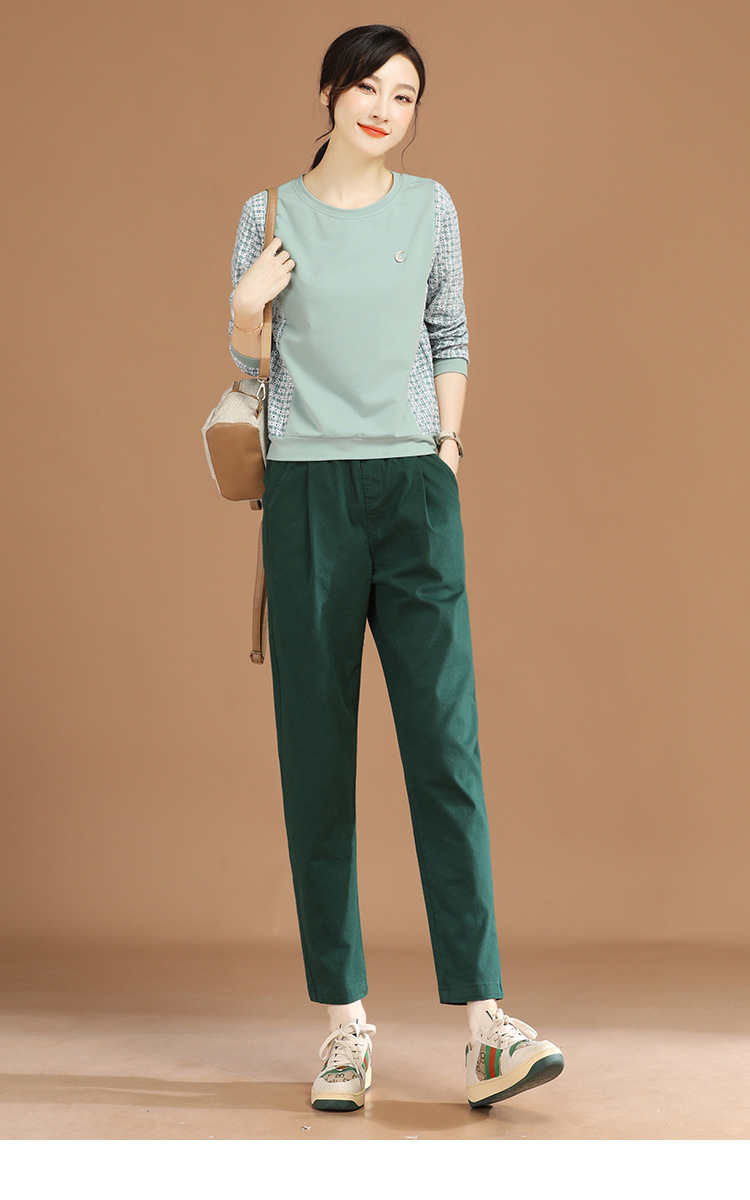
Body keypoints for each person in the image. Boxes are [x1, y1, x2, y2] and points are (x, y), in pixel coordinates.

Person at [226, 23, 565, 1112]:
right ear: (330, 92)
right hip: (307, 498)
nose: (383, 108)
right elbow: (249, 367)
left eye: (404, 94)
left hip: (415, 492)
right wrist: (244, 306)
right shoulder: (267, 215)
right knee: (317, 761)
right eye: (367, 87)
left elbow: (449, 334)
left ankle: (487, 1028)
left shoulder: (432, 209)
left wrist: (447, 451)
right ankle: (345, 1029)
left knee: (446, 750)